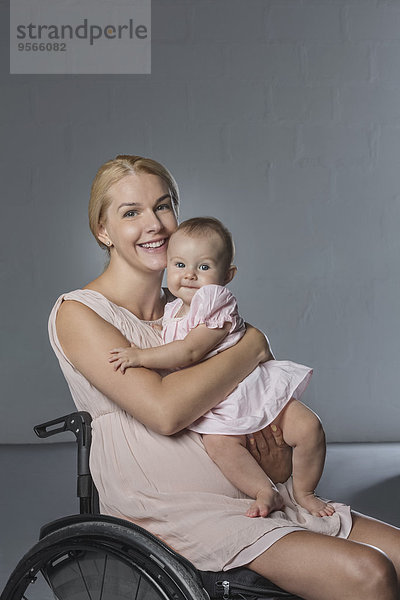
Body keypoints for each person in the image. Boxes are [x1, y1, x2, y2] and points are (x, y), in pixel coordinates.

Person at [49, 154, 400, 600]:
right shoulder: (79, 313)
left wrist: (272, 468)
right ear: (103, 231)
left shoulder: (194, 308)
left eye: (162, 206)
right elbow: (165, 411)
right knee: (368, 572)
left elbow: (253, 407)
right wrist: (251, 347)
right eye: (131, 213)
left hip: (256, 493)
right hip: (172, 510)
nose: (154, 224)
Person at [108, 217, 332, 518]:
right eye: (179, 265)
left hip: (249, 388)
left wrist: (140, 356)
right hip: (219, 403)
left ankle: (305, 492)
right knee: (219, 446)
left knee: (309, 428)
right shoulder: (173, 309)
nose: (189, 276)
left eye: (203, 267)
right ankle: (264, 491)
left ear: (227, 275)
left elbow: (190, 351)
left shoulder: (214, 301)